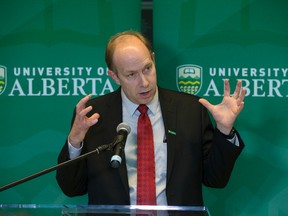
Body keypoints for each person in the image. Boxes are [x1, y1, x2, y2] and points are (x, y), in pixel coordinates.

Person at [56, 30, 246, 207]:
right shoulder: (94, 115)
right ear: (114, 76)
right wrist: (75, 141)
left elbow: (215, 179)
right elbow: (72, 188)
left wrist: (224, 130)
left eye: (147, 68)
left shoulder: (191, 110)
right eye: (131, 74)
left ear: (153, 60)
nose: (144, 82)